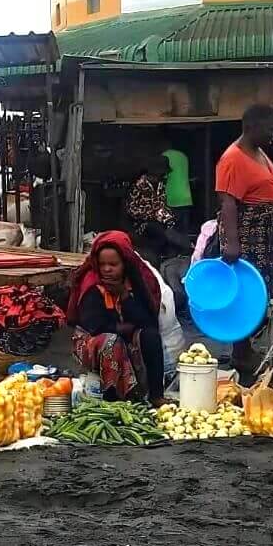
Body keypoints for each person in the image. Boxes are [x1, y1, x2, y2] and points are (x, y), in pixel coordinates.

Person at [215, 104, 273, 364]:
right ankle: (240, 351)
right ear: (250, 127)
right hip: (247, 231)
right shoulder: (232, 158)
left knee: (258, 290)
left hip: (263, 231)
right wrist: (232, 244)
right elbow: (228, 202)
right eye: (269, 130)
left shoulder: (258, 152)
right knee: (246, 292)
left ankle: (245, 348)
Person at [66, 231, 165, 405]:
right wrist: (120, 328)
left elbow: (147, 319)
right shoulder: (91, 284)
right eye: (102, 264)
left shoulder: (136, 280)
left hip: (127, 333)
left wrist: (123, 295)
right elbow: (94, 325)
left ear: (125, 264)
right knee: (111, 341)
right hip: (93, 340)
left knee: (151, 336)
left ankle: (156, 395)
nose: (107, 269)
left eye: (113, 264)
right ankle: (113, 399)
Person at [126, 156, 191, 260]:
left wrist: (168, 217)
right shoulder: (138, 186)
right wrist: (154, 215)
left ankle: (175, 257)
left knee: (175, 227)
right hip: (141, 225)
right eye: (163, 172)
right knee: (160, 233)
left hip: (159, 222)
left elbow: (161, 205)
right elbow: (132, 210)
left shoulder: (161, 184)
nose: (165, 175)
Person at [160, 135, 193, 236]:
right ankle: (186, 249)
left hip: (171, 197)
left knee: (171, 230)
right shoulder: (183, 156)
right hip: (186, 197)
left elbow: (162, 176)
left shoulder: (164, 156)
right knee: (184, 230)